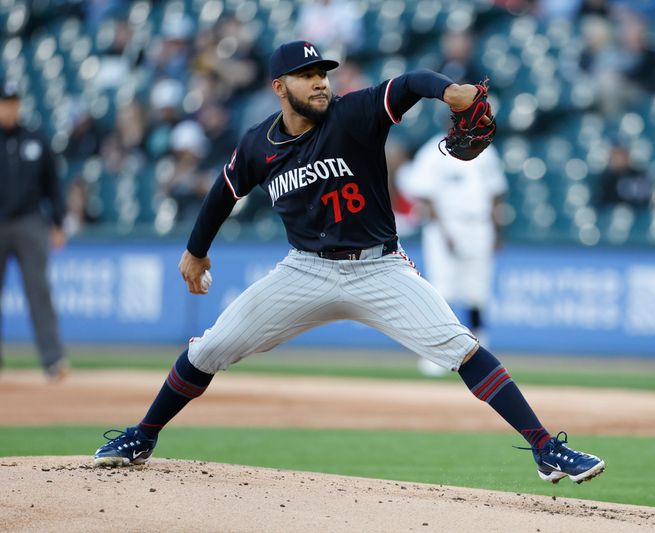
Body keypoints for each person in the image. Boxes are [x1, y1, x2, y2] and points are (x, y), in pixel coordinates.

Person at [93, 41, 605, 485]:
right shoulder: (257, 144)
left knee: (461, 348)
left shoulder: (352, 113)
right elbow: (223, 193)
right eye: (308, 76)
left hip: (379, 268)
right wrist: (195, 250)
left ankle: (544, 448)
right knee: (211, 348)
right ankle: (143, 434)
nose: (320, 83)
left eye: (323, 74)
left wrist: (447, 90)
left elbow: (406, 84)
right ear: (279, 87)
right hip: (304, 270)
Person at [400, 134, 507, 376]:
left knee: (477, 290)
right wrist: (444, 230)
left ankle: (481, 349)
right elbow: (423, 195)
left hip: (480, 225)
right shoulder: (433, 150)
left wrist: (497, 230)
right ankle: (437, 354)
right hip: (445, 226)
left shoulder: (485, 150)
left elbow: (496, 192)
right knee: (442, 290)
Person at [0, 80, 68, 380]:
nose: (8, 109)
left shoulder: (36, 139)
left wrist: (57, 222)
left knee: (39, 292)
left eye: (12, 103)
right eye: (4, 103)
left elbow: (53, 185)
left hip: (30, 222)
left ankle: (52, 360)